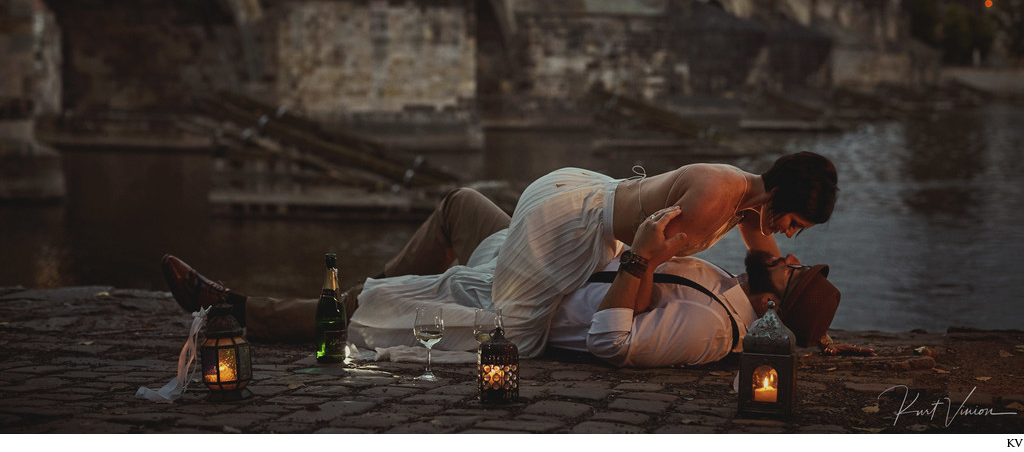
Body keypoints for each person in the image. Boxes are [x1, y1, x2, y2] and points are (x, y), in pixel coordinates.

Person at [163, 153, 859, 366]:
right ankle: (339, 314)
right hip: (570, 233)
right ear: (779, 198)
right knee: (503, 335)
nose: (790, 240)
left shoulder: (742, 195)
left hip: (573, 198)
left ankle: (258, 305)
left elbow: (765, 260)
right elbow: (637, 280)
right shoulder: (715, 205)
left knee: (461, 246)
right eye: (795, 223)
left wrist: (812, 327)